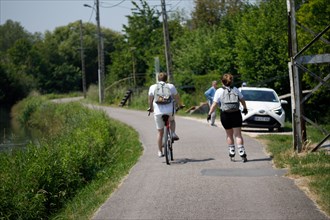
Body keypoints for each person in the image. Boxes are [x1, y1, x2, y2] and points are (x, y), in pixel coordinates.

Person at [207, 73, 249, 162]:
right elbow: (242, 100)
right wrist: (245, 108)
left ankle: (232, 151)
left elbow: (214, 104)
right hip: (236, 114)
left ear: (222, 81)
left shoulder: (219, 91)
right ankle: (242, 152)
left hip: (225, 115)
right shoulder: (236, 89)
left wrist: (209, 114)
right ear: (231, 81)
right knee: (238, 135)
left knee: (229, 135)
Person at [148, 72, 183, 157]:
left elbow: (150, 100)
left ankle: (160, 152)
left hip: (158, 112)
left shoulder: (153, 87)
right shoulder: (171, 86)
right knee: (172, 120)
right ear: (166, 79)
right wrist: (180, 105)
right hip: (169, 111)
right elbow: (177, 97)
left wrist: (150, 108)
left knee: (160, 132)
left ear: (158, 79)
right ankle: (173, 133)